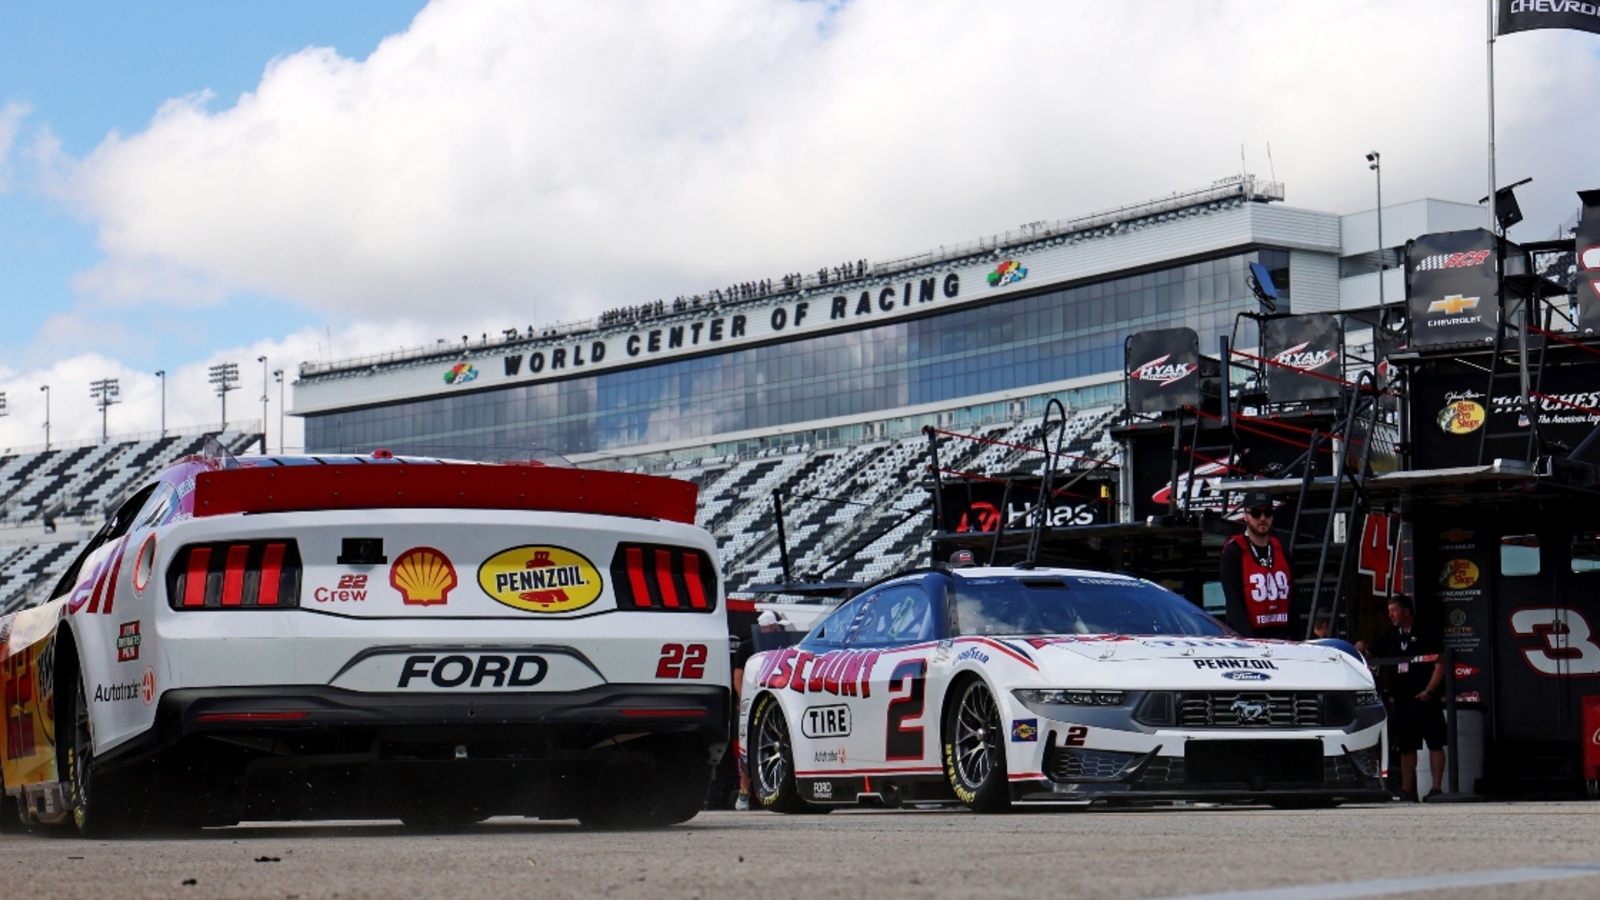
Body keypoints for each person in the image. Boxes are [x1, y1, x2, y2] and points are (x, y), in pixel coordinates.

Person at [1365, 595, 1447, 801]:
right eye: (1389, 610)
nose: (1390, 614)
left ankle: (1436, 788)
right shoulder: (1391, 634)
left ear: (1406, 611)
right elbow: (1371, 654)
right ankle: (1407, 790)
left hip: (1424, 698)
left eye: (1394, 610)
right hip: (1402, 700)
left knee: (1435, 743)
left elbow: (1440, 664)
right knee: (1407, 746)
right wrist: (1359, 649)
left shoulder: (1425, 632)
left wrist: (1429, 691)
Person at [1219, 488, 1293, 640]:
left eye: (1268, 513)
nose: (1262, 518)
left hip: (1283, 640)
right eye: (1256, 513)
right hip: (1252, 641)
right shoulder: (1234, 551)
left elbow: (1293, 601)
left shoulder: (1281, 548)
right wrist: (1249, 644)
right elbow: (1234, 604)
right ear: (1245, 515)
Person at [735, 610, 790, 810]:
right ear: (770, 626)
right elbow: (738, 677)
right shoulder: (747, 647)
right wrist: (744, 699)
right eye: (779, 625)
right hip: (752, 702)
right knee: (748, 747)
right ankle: (743, 794)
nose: (782, 629)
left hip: (775, 703)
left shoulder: (782, 646)